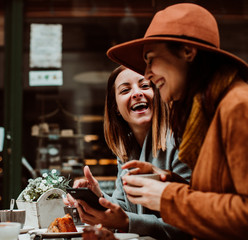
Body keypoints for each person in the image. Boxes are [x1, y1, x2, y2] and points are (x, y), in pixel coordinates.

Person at [107, 3, 248, 240]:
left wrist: (168, 196)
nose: (148, 74)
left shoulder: (237, 106)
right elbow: (216, 194)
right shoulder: (210, 111)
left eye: (151, 60)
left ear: (187, 52)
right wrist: (165, 179)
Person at [65, 66, 191, 239]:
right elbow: (125, 208)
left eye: (145, 86)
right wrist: (97, 196)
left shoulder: (180, 143)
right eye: (125, 90)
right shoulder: (126, 151)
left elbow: (188, 223)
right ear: (116, 107)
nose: (137, 93)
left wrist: (126, 222)